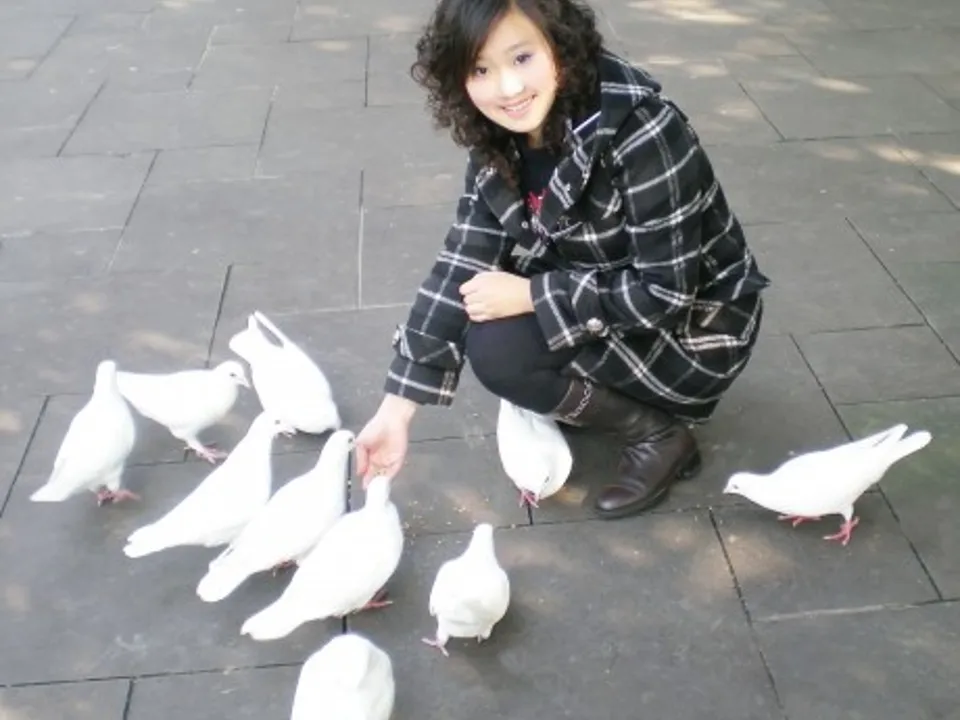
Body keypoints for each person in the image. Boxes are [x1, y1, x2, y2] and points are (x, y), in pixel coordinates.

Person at [354, 0, 770, 519]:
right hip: (602, 285)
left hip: (695, 330)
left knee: (501, 344)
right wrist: (396, 410)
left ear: (559, 45)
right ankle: (613, 400)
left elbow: (666, 294)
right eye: (481, 69)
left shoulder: (643, 132)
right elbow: (463, 259)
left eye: (522, 58)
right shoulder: (498, 137)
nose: (508, 88)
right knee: (492, 325)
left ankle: (658, 436)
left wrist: (532, 294)